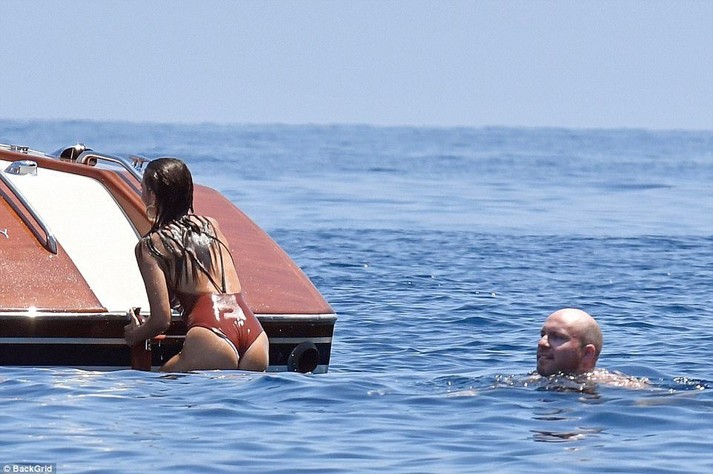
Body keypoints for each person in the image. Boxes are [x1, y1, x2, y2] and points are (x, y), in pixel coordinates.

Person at [124, 158, 269, 372]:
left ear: (153, 196)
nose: (141, 194)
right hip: (254, 335)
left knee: (161, 386)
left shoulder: (150, 246)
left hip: (211, 336)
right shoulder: (212, 225)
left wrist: (134, 335)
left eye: (142, 189)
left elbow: (161, 320)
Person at [536, 308, 647, 388]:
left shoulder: (624, 387)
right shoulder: (532, 381)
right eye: (543, 335)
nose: (541, 343)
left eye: (557, 337)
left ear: (587, 354)